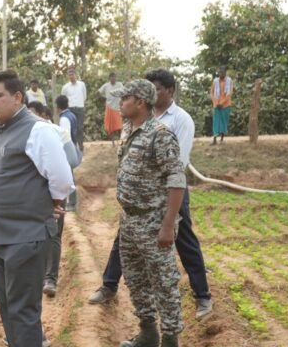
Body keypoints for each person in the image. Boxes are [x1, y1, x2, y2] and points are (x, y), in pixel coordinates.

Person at [0, 70, 73, 347]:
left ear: (18, 97)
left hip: (26, 235)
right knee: (9, 311)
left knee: (23, 312)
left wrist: (50, 202)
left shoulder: (39, 131)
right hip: (0, 235)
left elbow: (62, 178)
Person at [90, 69, 213, 319]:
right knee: (123, 239)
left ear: (170, 91)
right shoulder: (132, 121)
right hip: (139, 199)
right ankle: (109, 284)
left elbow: (178, 165)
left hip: (168, 193)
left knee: (184, 239)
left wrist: (168, 218)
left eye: (157, 88)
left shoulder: (180, 120)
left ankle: (202, 296)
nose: (153, 93)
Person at [111, 79, 186, 347]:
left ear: (141, 102)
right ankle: (148, 330)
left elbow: (176, 180)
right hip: (130, 219)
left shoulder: (160, 135)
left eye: (126, 98)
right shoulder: (130, 130)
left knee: (163, 280)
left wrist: (168, 225)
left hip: (153, 220)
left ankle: (171, 345)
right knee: (135, 276)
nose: (121, 102)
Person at [27, 101, 79, 299]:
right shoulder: (24, 133)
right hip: (32, 192)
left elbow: (73, 160)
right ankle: (40, 277)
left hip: (53, 189)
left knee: (54, 234)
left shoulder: (57, 132)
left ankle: (50, 279)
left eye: (33, 114)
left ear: (44, 114)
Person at [55, 95, 79, 212]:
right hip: (73, 145)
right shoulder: (72, 115)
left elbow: (65, 136)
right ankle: (72, 202)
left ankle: (72, 203)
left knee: (69, 177)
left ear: (57, 107)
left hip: (67, 148)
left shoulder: (64, 119)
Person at [60, 66, 87, 151]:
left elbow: (84, 96)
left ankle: (81, 147)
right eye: (69, 75)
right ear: (67, 76)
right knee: (71, 128)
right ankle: (73, 147)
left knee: (79, 128)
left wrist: (80, 103)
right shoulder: (65, 87)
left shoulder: (82, 85)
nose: (71, 76)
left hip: (79, 108)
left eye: (72, 74)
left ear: (75, 75)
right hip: (70, 109)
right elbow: (63, 98)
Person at [98, 72, 124, 145]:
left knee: (120, 125)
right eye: (111, 77)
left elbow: (124, 92)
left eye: (114, 77)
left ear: (116, 78)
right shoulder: (106, 85)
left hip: (118, 108)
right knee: (110, 126)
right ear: (109, 78)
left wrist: (122, 100)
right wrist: (104, 97)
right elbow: (99, 92)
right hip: (109, 107)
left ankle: (121, 141)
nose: (113, 79)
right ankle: (113, 143)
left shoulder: (119, 84)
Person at [210, 66, 233, 145]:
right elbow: (211, 93)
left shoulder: (229, 81)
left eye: (222, 72)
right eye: (219, 72)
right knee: (216, 122)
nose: (221, 74)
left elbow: (229, 93)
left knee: (224, 121)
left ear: (225, 73)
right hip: (216, 105)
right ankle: (214, 139)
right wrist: (216, 103)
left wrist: (222, 103)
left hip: (225, 105)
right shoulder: (215, 81)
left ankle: (222, 139)